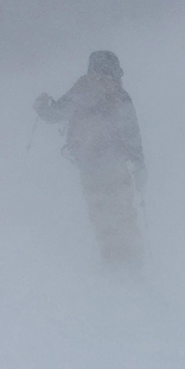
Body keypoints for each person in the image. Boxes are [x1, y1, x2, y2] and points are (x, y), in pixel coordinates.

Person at [33, 50, 147, 265]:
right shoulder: (120, 94)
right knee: (123, 210)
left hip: (90, 164)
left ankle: (111, 258)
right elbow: (132, 132)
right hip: (115, 164)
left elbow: (55, 114)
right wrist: (139, 163)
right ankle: (132, 258)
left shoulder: (82, 89)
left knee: (100, 211)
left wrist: (41, 107)